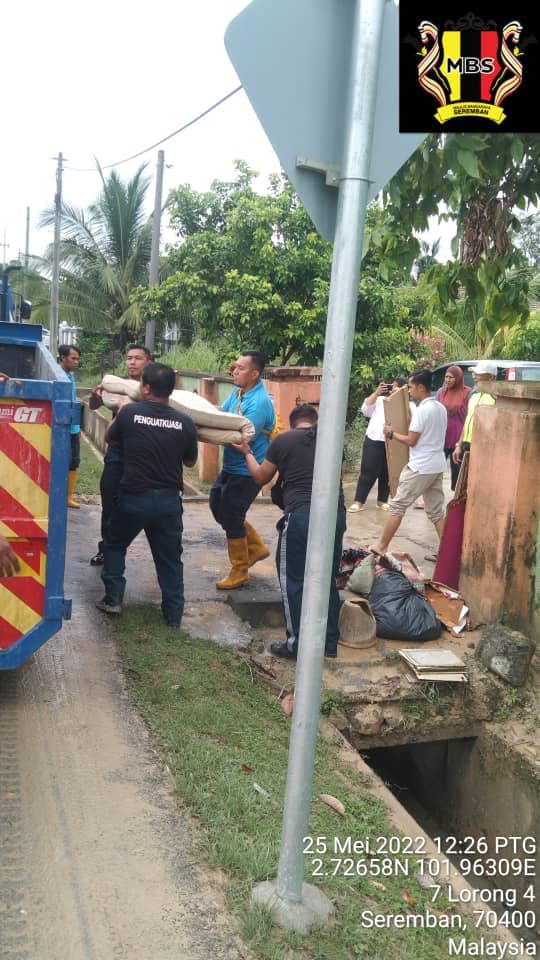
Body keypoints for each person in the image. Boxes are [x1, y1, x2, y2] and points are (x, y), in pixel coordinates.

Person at [233, 403, 346, 659]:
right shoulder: (334, 441)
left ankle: (296, 644)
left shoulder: (283, 441)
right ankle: (328, 644)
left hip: (301, 517)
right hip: (335, 516)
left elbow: (261, 477)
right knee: (326, 579)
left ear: (293, 422)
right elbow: (339, 474)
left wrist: (247, 452)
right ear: (314, 421)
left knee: (294, 581)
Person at [96, 363, 198, 626]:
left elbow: (111, 439)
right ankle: (173, 616)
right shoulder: (185, 422)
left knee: (115, 544)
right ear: (172, 389)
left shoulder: (130, 413)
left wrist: (119, 414)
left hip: (133, 497)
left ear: (146, 387)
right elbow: (189, 462)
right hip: (168, 502)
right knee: (170, 559)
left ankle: (113, 598)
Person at [209, 350, 275, 590]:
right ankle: (255, 547)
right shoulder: (239, 393)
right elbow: (223, 415)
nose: (234, 371)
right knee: (217, 505)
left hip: (249, 469)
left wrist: (207, 430)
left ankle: (240, 569)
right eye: (235, 366)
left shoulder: (259, 403)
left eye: (241, 368)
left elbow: (240, 437)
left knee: (232, 515)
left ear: (255, 374)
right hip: (231, 466)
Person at [371, 368, 447, 555]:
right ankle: (447, 555)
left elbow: (411, 441)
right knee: (436, 512)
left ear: (421, 387)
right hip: (436, 465)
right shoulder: (440, 408)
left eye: (411, 387)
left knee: (397, 506)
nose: (409, 391)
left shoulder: (423, 411)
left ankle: (381, 547)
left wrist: (390, 433)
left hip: (420, 466)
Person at [88, 344, 152, 565]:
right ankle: (106, 549)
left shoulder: (155, 386)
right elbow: (94, 406)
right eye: (129, 358)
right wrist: (95, 396)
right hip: (117, 451)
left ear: (149, 362)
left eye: (138, 358)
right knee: (110, 500)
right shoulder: (118, 384)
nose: (132, 362)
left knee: (150, 507)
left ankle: (158, 553)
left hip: (145, 455)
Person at [348, 377, 412, 513]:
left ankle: (382, 500)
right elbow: (365, 409)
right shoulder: (379, 401)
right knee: (368, 470)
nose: (392, 389)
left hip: (394, 441)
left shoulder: (407, 405)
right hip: (375, 439)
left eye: (396, 387)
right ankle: (358, 501)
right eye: (391, 386)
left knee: (387, 472)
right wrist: (376, 393)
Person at [452, 360, 497, 468]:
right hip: (466, 446)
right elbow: (467, 422)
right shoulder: (473, 396)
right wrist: (459, 444)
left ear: (490, 377)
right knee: (460, 482)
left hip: (482, 448)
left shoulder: (496, 399)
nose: (474, 377)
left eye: (478, 374)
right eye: (474, 374)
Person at [436, 365, 471, 490]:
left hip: (458, 439)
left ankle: (455, 502)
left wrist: (461, 443)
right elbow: (435, 412)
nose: (448, 380)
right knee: (434, 471)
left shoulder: (467, 393)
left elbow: (469, 416)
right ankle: (428, 498)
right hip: (442, 438)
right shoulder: (441, 392)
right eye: (446, 377)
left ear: (458, 378)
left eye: (451, 377)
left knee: (457, 476)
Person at [58, 344, 81, 509]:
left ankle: (68, 496)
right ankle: (59, 494)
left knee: (74, 461)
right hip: (63, 427)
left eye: (78, 359)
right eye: (73, 358)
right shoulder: (59, 377)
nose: (76, 362)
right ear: (63, 358)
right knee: (63, 461)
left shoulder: (71, 376)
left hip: (73, 427)